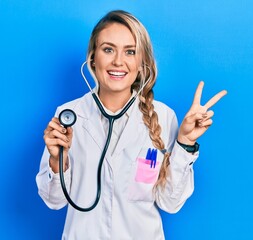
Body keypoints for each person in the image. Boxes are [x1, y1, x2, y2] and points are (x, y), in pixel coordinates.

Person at [36, 10, 227, 240]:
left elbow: (170, 202)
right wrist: (58, 159)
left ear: (141, 62)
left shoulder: (164, 117)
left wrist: (185, 143)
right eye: (108, 49)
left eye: (130, 51)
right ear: (93, 58)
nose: (118, 61)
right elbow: (54, 201)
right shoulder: (69, 115)